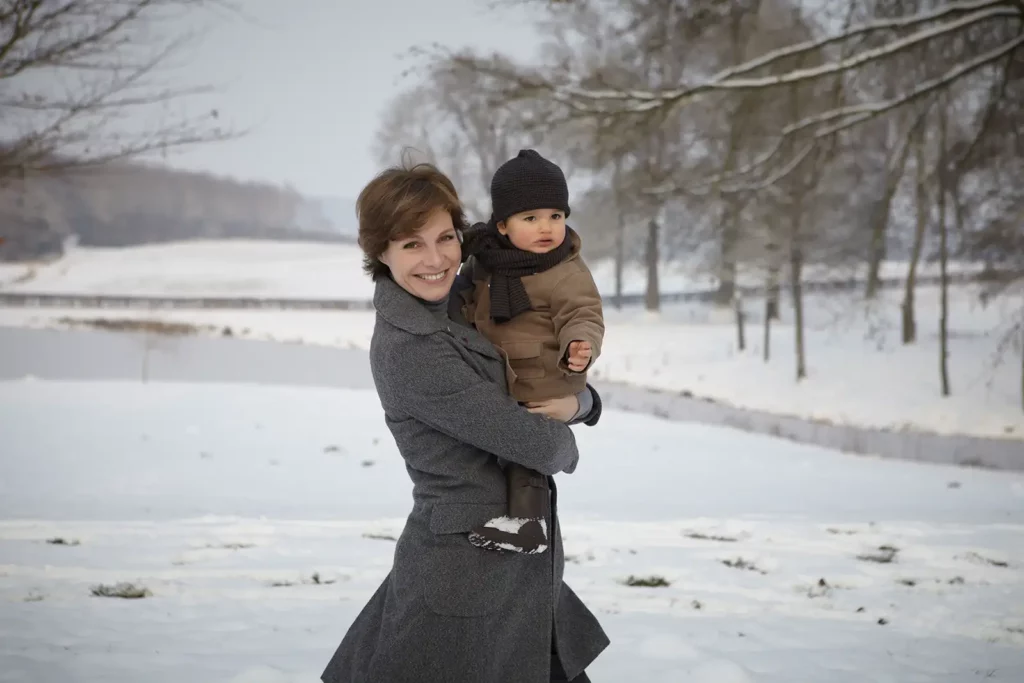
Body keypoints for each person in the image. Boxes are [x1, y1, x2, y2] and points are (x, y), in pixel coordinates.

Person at [320, 162, 609, 683]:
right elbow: (536, 445)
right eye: (411, 245)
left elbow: (540, 363)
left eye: (445, 238)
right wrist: (566, 440)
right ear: (379, 254)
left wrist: (582, 403)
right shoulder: (413, 348)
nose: (435, 260)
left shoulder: (461, 300)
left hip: (513, 553)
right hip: (467, 574)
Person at [455, 149, 604, 555]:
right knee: (500, 450)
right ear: (502, 225)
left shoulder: (566, 270)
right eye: (531, 218)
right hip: (503, 373)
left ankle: (527, 524)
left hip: (542, 379)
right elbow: (465, 299)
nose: (547, 228)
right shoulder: (485, 262)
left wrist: (581, 345)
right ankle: (509, 514)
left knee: (525, 449)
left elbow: (584, 312)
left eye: (556, 216)